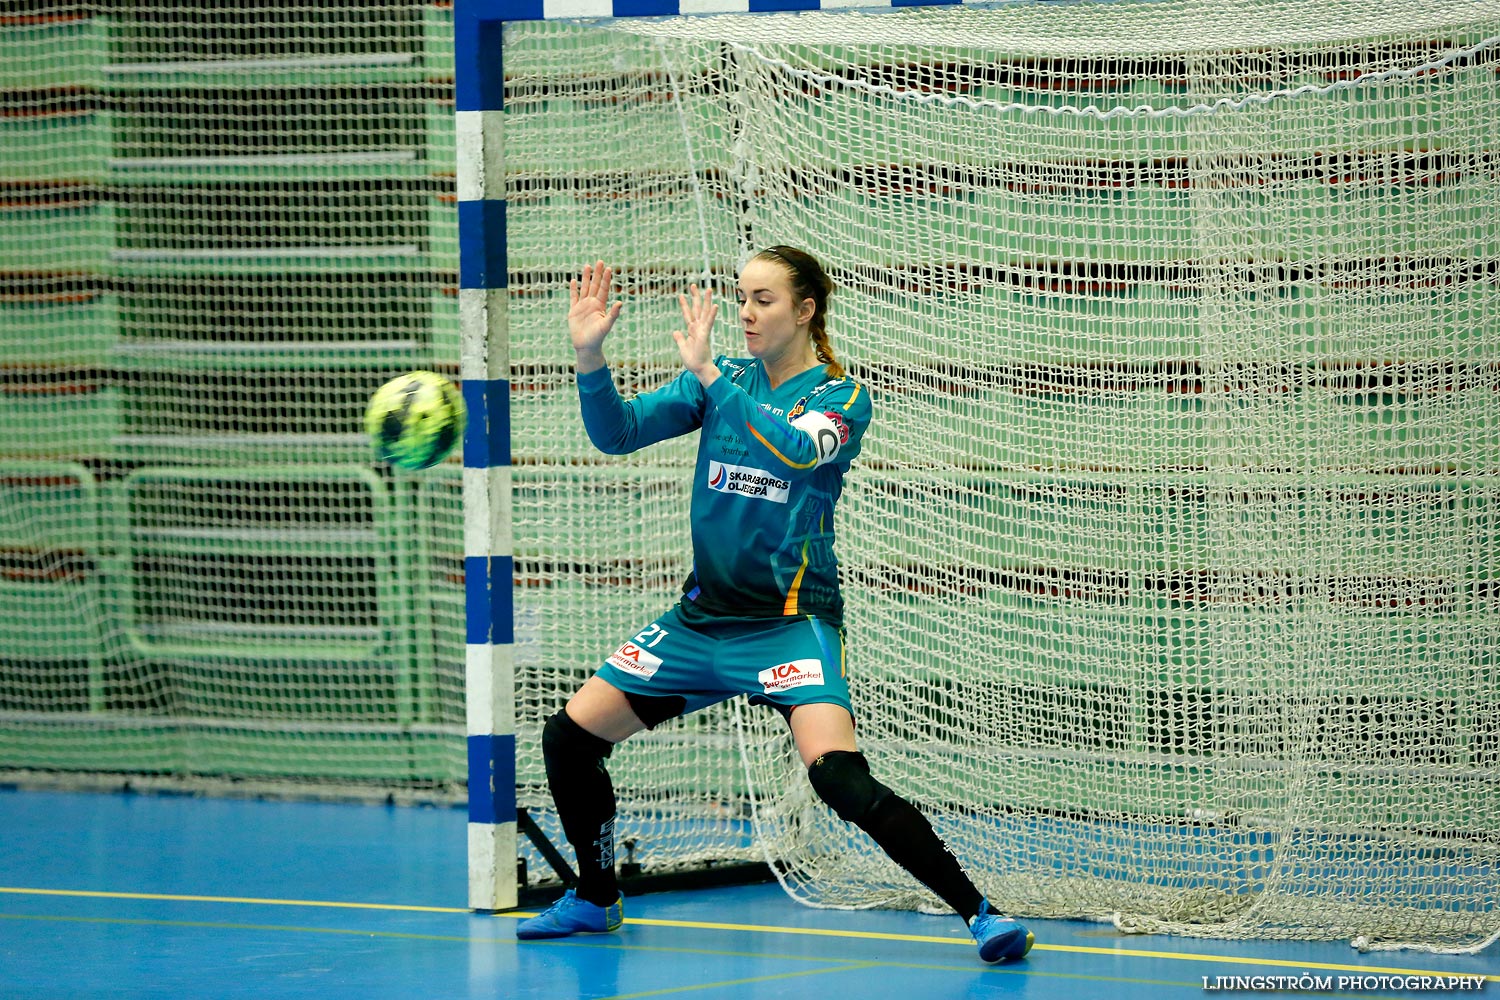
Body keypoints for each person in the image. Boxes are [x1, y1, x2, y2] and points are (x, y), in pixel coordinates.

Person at [515, 247, 1033, 964]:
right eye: (742, 298)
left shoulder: (841, 400)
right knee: (570, 739)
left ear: (805, 310)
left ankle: (980, 914)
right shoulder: (723, 377)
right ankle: (597, 899)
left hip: (790, 624)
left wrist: (708, 378)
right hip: (701, 623)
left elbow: (790, 451)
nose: (747, 314)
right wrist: (590, 356)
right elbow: (618, 433)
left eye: (763, 299)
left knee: (837, 778)